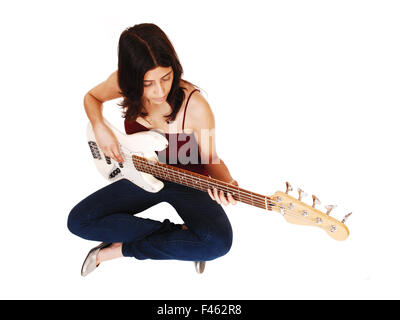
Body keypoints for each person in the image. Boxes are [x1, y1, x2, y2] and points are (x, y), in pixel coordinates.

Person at [67, 23, 238, 276]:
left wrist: (228, 185)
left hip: (187, 180)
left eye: (166, 78)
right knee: (79, 221)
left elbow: (211, 158)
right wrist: (99, 126)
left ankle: (118, 250)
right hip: (141, 172)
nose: (159, 91)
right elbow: (91, 98)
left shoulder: (196, 107)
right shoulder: (121, 83)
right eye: (148, 83)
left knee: (218, 243)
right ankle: (182, 240)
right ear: (132, 78)